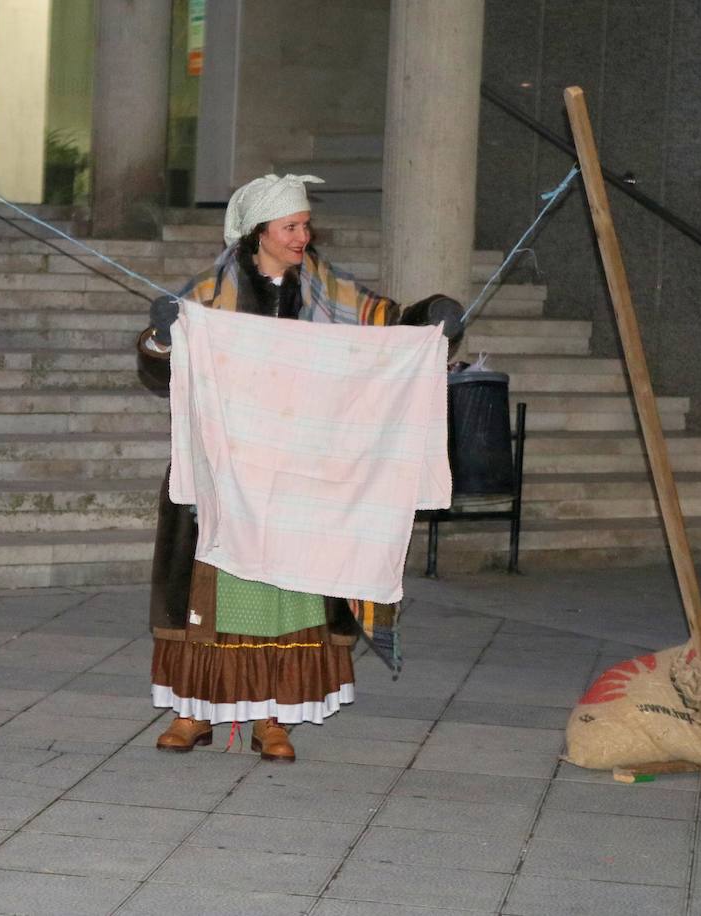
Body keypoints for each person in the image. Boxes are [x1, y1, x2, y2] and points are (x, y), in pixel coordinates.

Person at [138, 173, 462, 761]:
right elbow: (162, 365)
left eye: (306, 225)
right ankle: (192, 713)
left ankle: (272, 718)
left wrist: (429, 317)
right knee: (211, 598)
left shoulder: (327, 287)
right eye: (291, 226)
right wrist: (161, 339)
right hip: (227, 476)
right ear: (259, 232)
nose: (303, 235)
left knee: (287, 596)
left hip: (298, 476)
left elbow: (386, 323)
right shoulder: (210, 293)